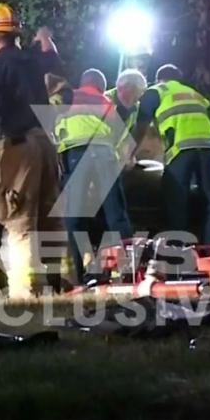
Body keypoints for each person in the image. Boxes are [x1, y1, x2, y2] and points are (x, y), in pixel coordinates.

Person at [0, 2, 67, 299]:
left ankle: (27, 290)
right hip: (45, 142)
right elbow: (51, 54)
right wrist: (44, 36)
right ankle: (60, 283)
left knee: (20, 221)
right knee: (50, 216)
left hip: (16, 146)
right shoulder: (32, 59)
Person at [54, 68, 133, 283]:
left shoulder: (67, 98)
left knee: (74, 217)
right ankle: (128, 269)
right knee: (115, 212)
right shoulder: (105, 101)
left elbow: (54, 131)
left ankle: (80, 274)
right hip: (104, 152)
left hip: (74, 154)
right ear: (100, 86)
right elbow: (121, 138)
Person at [133, 64, 210, 244]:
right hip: (209, 146)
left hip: (182, 148)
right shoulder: (193, 93)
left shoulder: (157, 91)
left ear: (159, 79)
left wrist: (130, 153)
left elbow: (141, 125)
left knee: (176, 198)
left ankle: (178, 246)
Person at [106, 69, 149, 167]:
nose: (135, 101)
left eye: (138, 97)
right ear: (122, 88)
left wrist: (129, 156)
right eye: (134, 96)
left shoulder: (135, 107)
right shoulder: (103, 101)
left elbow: (132, 134)